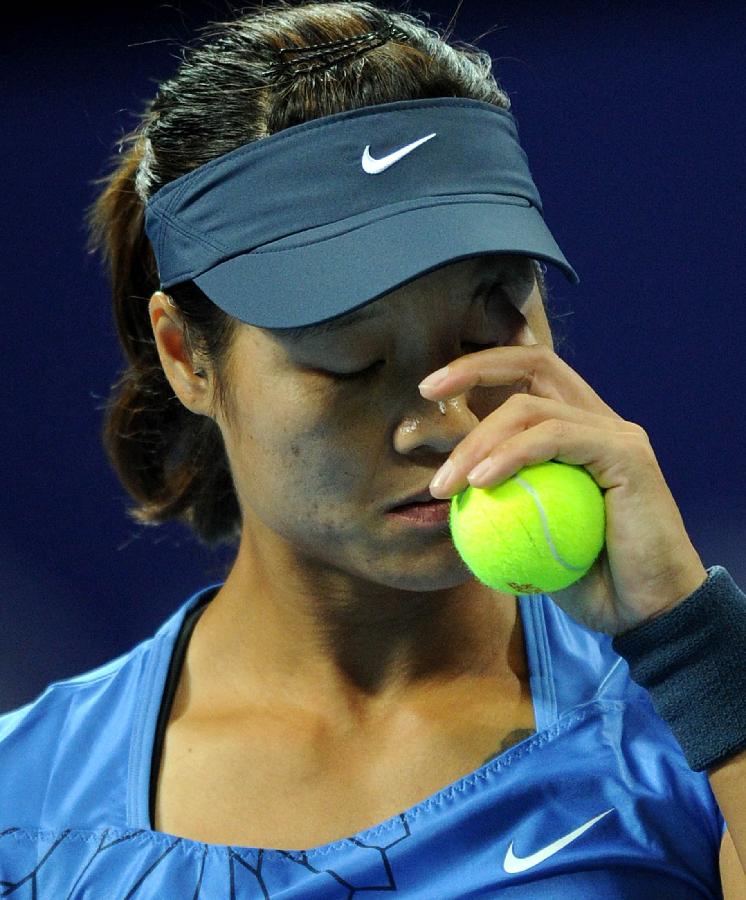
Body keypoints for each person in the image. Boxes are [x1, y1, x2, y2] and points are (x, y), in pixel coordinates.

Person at [1, 1, 744, 895]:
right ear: (184, 355)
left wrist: (693, 640)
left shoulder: (699, 722)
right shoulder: (24, 815)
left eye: (488, 326)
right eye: (351, 360)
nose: (442, 419)